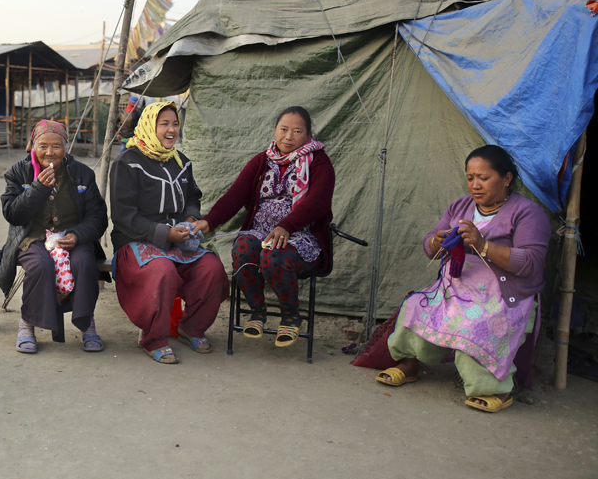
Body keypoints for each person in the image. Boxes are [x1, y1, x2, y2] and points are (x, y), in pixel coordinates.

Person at [376, 145, 549, 413]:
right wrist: (436, 240)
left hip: (503, 295)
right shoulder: (460, 206)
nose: (475, 185)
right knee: (417, 304)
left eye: (484, 177)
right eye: (470, 178)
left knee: (478, 321)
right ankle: (409, 363)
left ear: (506, 178)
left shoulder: (527, 212)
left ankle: (492, 388)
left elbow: (531, 263)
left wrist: (484, 245)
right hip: (456, 286)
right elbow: (429, 246)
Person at [195, 106, 334, 347]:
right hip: (260, 231)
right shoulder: (262, 161)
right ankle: (256, 312)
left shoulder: (319, 162)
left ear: (309, 135)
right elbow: (235, 195)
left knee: (273, 255)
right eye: (283, 129)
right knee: (243, 247)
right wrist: (209, 221)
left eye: (297, 131)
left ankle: (291, 316)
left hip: (301, 237)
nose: (288, 137)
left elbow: (318, 202)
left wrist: (287, 226)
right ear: (275, 130)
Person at [110, 101, 228, 364]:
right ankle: (154, 338)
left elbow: (193, 197)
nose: (171, 129)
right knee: (162, 271)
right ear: (150, 126)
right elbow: (123, 216)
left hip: (179, 239)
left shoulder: (181, 162)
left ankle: (192, 328)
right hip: (136, 241)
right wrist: (164, 233)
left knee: (212, 268)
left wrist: (190, 219)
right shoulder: (127, 163)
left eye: (175, 123)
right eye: (164, 124)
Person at [0, 120, 108, 353]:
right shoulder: (19, 172)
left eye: (56, 146)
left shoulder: (82, 174)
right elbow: (12, 214)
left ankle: (87, 324)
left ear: (66, 148)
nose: (49, 152)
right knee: (40, 265)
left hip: (73, 237)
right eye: (43, 146)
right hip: (33, 237)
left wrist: (77, 234)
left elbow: (98, 216)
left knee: (84, 263)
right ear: (33, 147)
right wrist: (38, 189)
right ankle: (27, 324)